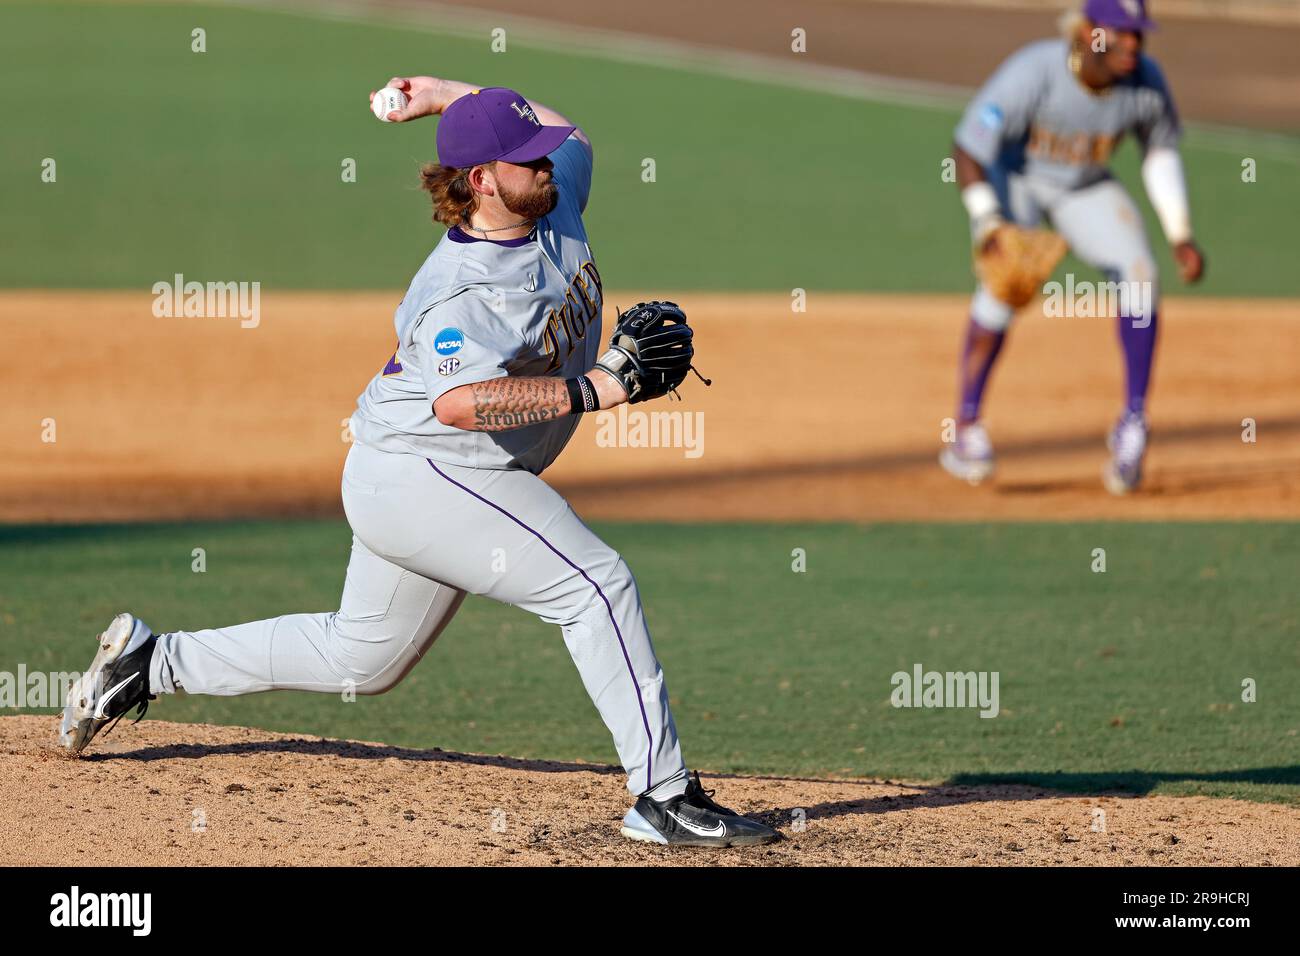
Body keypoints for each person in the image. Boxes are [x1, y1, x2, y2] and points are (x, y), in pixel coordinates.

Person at [60, 77, 778, 848]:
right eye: (527, 158)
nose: (548, 163)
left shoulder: (550, 194)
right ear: (480, 182)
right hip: (428, 475)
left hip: (431, 473)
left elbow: (573, 135)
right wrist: (598, 389)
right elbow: (460, 405)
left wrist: (443, 95)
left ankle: (149, 662)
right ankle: (663, 796)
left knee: (361, 657)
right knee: (595, 586)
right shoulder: (459, 293)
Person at [940, 0, 1206, 494]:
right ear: (1086, 33)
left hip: (1083, 187)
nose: (1131, 44)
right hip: (1016, 179)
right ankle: (966, 430)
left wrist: (1180, 233)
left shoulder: (1146, 82)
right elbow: (969, 149)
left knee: (1140, 273)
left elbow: (1159, 152)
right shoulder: (1034, 70)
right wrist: (988, 223)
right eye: (1118, 32)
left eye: (1138, 34)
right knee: (1005, 286)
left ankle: (1132, 424)